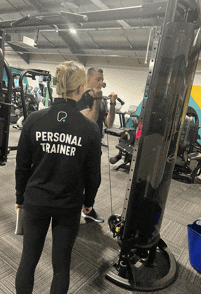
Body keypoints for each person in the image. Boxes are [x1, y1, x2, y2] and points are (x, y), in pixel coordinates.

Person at [15, 61, 101, 294]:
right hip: (68, 205)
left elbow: (22, 165)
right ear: (82, 87)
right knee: (61, 266)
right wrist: (89, 202)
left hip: (35, 201)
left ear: (56, 85)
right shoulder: (90, 128)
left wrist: (20, 197)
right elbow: (94, 174)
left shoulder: (34, 119)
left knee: (28, 260)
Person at [77, 67, 117, 223]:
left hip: (95, 145)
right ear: (88, 80)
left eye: (102, 79)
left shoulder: (100, 100)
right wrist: (97, 100)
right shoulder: (82, 97)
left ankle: (87, 208)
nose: (101, 82)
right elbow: (90, 123)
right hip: (80, 145)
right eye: (98, 79)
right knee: (78, 179)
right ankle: (76, 209)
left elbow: (109, 124)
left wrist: (112, 104)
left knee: (94, 180)